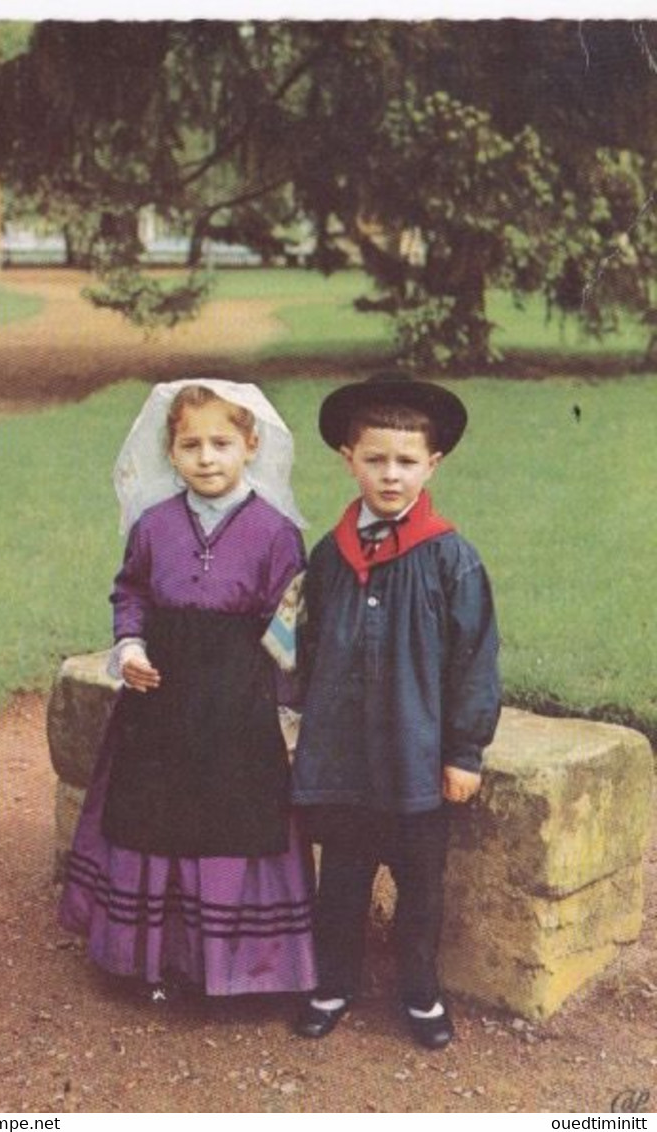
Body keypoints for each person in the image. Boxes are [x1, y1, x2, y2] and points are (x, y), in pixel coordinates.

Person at [59, 379, 317, 998]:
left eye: (222, 442)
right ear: (170, 453)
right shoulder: (152, 526)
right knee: (155, 816)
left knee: (234, 820)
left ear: (251, 445)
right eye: (191, 444)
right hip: (160, 701)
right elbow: (132, 593)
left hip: (235, 708)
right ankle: (151, 962)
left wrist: (285, 700)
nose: (207, 457)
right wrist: (131, 648)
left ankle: (237, 970)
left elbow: (289, 620)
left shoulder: (276, 532)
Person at [291, 373, 500, 1048]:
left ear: (431, 464)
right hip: (346, 759)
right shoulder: (329, 557)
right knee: (342, 882)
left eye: (406, 461)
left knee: (421, 888)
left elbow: (474, 660)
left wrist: (463, 752)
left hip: (416, 761)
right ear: (348, 459)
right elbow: (304, 641)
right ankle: (332, 984)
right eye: (374, 459)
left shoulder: (450, 559)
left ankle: (421, 996)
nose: (390, 475)